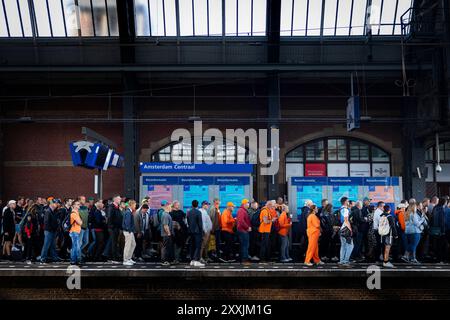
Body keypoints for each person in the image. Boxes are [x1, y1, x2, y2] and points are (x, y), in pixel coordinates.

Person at [40, 199, 62, 263]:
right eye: (55, 203)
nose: (56, 205)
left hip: (53, 231)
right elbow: (46, 222)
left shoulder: (54, 211)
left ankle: (54, 257)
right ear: (51, 204)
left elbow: (55, 221)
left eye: (56, 203)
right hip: (49, 231)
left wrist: (55, 229)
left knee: (53, 245)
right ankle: (43, 258)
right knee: (46, 245)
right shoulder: (48, 211)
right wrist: (52, 229)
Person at [430, 197, 447, 263]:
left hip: (434, 229)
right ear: (444, 202)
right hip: (440, 230)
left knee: (436, 244)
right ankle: (440, 259)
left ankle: (436, 258)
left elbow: (432, 218)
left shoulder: (435, 208)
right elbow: (442, 221)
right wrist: (443, 230)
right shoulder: (442, 209)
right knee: (441, 245)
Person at [187, 200, 204, 267]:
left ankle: (192, 260)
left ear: (192, 204)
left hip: (191, 231)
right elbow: (200, 223)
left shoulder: (189, 212)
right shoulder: (198, 212)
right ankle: (196, 260)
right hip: (197, 232)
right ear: (197, 205)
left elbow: (188, 221)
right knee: (197, 246)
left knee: (192, 246)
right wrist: (201, 231)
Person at [106, 195, 122, 262]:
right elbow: (109, 217)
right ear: (115, 199)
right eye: (119, 199)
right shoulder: (111, 207)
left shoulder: (117, 207)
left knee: (114, 243)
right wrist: (111, 226)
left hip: (116, 227)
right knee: (114, 243)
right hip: (113, 228)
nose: (120, 199)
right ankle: (113, 258)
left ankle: (111, 256)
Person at [338, 197, 353, 267]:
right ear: (345, 202)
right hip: (346, 229)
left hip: (341, 229)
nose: (348, 202)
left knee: (343, 245)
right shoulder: (345, 210)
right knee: (350, 245)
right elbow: (346, 220)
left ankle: (341, 260)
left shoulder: (340, 209)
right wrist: (350, 229)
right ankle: (346, 261)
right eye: (347, 201)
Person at [236, 199, 251, 264]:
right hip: (243, 230)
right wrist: (247, 227)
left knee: (243, 245)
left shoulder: (242, 210)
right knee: (245, 245)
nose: (248, 204)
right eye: (248, 203)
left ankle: (242, 259)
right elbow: (241, 221)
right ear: (244, 204)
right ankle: (244, 260)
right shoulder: (242, 211)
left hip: (243, 230)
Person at [122, 200, 137, 266]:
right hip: (128, 231)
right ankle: (125, 260)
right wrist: (129, 230)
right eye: (135, 205)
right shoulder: (128, 212)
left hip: (129, 231)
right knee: (128, 246)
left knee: (133, 244)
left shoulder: (129, 211)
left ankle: (129, 258)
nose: (135, 206)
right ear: (131, 205)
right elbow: (127, 222)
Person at [160, 201, 174, 266]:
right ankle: (164, 260)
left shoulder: (167, 214)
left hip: (167, 234)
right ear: (167, 206)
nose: (171, 208)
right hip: (166, 234)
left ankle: (166, 260)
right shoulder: (165, 214)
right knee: (165, 247)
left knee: (166, 247)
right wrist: (168, 233)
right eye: (170, 206)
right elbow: (165, 225)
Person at [69, 201, 83, 265]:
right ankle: (76, 260)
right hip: (74, 232)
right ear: (74, 205)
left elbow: (81, 222)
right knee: (76, 246)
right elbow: (80, 222)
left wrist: (80, 221)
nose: (79, 205)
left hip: (76, 231)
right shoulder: (74, 213)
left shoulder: (77, 212)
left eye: (79, 204)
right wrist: (80, 221)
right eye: (77, 204)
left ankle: (74, 260)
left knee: (75, 246)